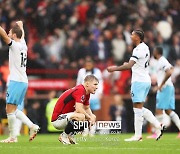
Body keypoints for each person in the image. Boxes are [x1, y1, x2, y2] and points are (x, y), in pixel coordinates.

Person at [107, 30, 165, 141]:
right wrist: (129, 65)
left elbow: (130, 65)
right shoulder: (146, 47)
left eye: (133, 34)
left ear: (138, 37)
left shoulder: (137, 50)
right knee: (139, 108)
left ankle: (139, 135)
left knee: (137, 109)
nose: (131, 36)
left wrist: (114, 69)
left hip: (138, 81)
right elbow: (136, 64)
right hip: (145, 80)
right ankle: (158, 126)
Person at [0, 21, 40, 143]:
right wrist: (21, 25)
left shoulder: (15, 46)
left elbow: (4, 36)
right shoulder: (23, 44)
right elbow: (22, 35)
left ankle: (13, 137)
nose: (9, 33)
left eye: (10, 32)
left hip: (16, 81)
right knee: (14, 109)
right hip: (23, 81)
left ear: (14, 35)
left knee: (9, 109)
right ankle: (32, 126)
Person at [51, 75, 97, 144]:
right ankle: (64, 135)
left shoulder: (87, 93)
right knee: (81, 116)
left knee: (88, 118)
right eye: (95, 84)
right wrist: (89, 117)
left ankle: (71, 135)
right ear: (87, 84)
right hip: (57, 119)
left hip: (67, 118)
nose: (97, 87)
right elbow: (78, 109)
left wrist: (92, 116)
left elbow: (86, 107)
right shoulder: (80, 90)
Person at [149, 47, 180, 138]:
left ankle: (157, 133)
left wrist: (161, 84)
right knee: (168, 111)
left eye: (154, 52)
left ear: (157, 52)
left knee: (158, 110)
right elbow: (172, 68)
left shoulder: (162, 60)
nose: (153, 53)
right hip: (169, 87)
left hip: (165, 88)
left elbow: (169, 71)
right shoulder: (162, 61)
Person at [76, 56, 103, 136]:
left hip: (94, 95)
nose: (88, 64)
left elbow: (100, 82)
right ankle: (85, 129)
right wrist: (78, 93)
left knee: (93, 113)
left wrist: (100, 92)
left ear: (92, 63)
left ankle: (92, 130)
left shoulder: (97, 71)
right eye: (87, 62)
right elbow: (78, 83)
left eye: (90, 62)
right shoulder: (81, 71)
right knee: (83, 113)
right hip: (84, 95)